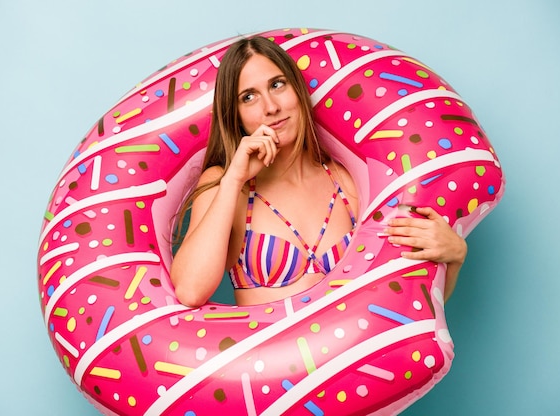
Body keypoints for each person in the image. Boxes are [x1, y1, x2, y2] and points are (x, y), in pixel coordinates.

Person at [171, 36, 467, 308]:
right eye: (248, 97)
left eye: (277, 85)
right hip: (272, 364)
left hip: (355, 362)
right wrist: (234, 177)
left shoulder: (346, 181)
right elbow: (190, 291)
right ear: (234, 113)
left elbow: (410, 297)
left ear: (297, 90)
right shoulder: (224, 185)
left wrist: (453, 259)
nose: (271, 107)